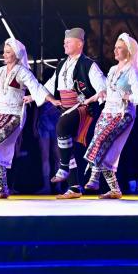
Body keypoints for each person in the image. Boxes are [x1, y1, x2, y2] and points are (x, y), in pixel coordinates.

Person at [0, 38, 53, 198]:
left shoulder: (23, 72)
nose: (4, 55)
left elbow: (36, 88)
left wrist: (44, 99)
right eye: (4, 52)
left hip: (13, 116)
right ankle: (2, 189)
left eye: (8, 52)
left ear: (17, 54)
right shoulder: (0, 71)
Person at [42, 28, 107, 199]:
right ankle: (74, 187)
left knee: (61, 126)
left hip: (84, 108)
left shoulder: (88, 64)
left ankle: (63, 167)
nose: (64, 44)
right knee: (67, 146)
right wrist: (38, 97)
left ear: (79, 44)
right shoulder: (62, 65)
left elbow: (102, 85)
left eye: (68, 42)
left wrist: (97, 94)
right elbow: (49, 86)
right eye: (64, 42)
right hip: (66, 109)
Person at [81, 33, 138, 199]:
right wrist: (94, 98)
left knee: (100, 140)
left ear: (129, 51)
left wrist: (128, 97)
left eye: (119, 48)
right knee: (104, 148)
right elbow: (109, 92)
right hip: (107, 111)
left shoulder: (132, 72)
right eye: (115, 47)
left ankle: (94, 177)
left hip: (123, 113)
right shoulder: (112, 70)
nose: (115, 50)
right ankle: (115, 190)